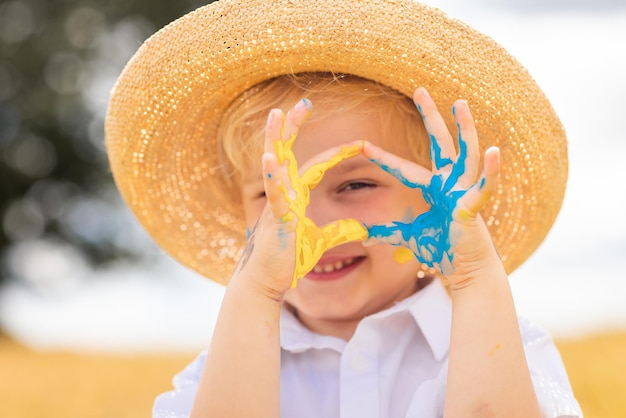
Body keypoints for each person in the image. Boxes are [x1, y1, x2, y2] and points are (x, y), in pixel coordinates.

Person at [105, 1, 582, 417]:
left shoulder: (504, 346)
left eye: (356, 184)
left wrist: (475, 277)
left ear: (430, 201)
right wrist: (255, 293)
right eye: (275, 194)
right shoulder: (217, 371)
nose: (309, 219)